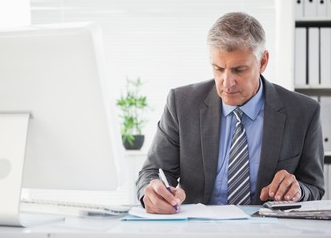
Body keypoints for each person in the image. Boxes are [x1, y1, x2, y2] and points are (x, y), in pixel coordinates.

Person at [136, 12, 325, 214]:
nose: (226, 83)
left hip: (268, 229)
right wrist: (153, 192)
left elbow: (314, 187)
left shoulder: (303, 112)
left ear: (262, 62)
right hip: (197, 227)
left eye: (239, 70)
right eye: (218, 69)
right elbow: (152, 171)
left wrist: (298, 191)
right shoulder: (181, 104)